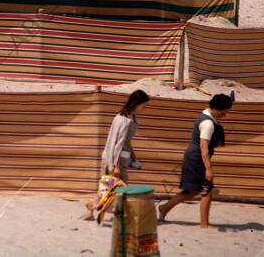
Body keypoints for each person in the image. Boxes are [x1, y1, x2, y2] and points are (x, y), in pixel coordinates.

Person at [158, 93, 233, 228]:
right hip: (197, 159)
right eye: (223, 112)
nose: (225, 115)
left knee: (194, 191)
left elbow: (209, 144)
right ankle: (204, 224)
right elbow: (203, 146)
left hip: (197, 157)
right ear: (216, 108)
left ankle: (165, 208)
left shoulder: (209, 116)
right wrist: (209, 169)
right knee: (204, 189)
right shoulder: (208, 123)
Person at [85, 89, 150, 220]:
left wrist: (133, 155)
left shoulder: (129, 117)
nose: (145, 108)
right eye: (144, 105)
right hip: (116, 158)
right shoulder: (125, 120)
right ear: (137, 104)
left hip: (120, 157)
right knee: (119, 187)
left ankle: (93, 206)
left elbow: (125, 141)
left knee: (110, 187)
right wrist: (116, 166)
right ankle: (118, 215)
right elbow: (118, 144)